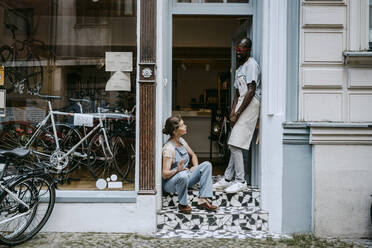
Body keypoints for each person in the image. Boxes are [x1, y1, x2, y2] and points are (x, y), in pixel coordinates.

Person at [213, 37, 261, 194]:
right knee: (233, 142)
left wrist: (239, 112)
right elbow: (236, 94)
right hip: (241, 104)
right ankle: (228, 179)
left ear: (248, 50)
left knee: (235, 144)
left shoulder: (252, 65)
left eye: (241, 51)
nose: (238, 53)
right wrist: (232, 112)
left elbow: (251, 90)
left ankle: (241, 181)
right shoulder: (240, 69)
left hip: (251, 104)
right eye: (236, 50)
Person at [162, 116, 217, 214]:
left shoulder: (181, 141)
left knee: (207, 165)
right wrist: (177, 170)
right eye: (182, 125)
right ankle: (183, 204)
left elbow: (193, 155)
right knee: (183, 175)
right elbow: (164, 174)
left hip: (186, 177)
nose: (185, 126)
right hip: (172, 183)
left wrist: (195, 166)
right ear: (175, 131)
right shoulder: (169, 148)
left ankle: (203, 199)